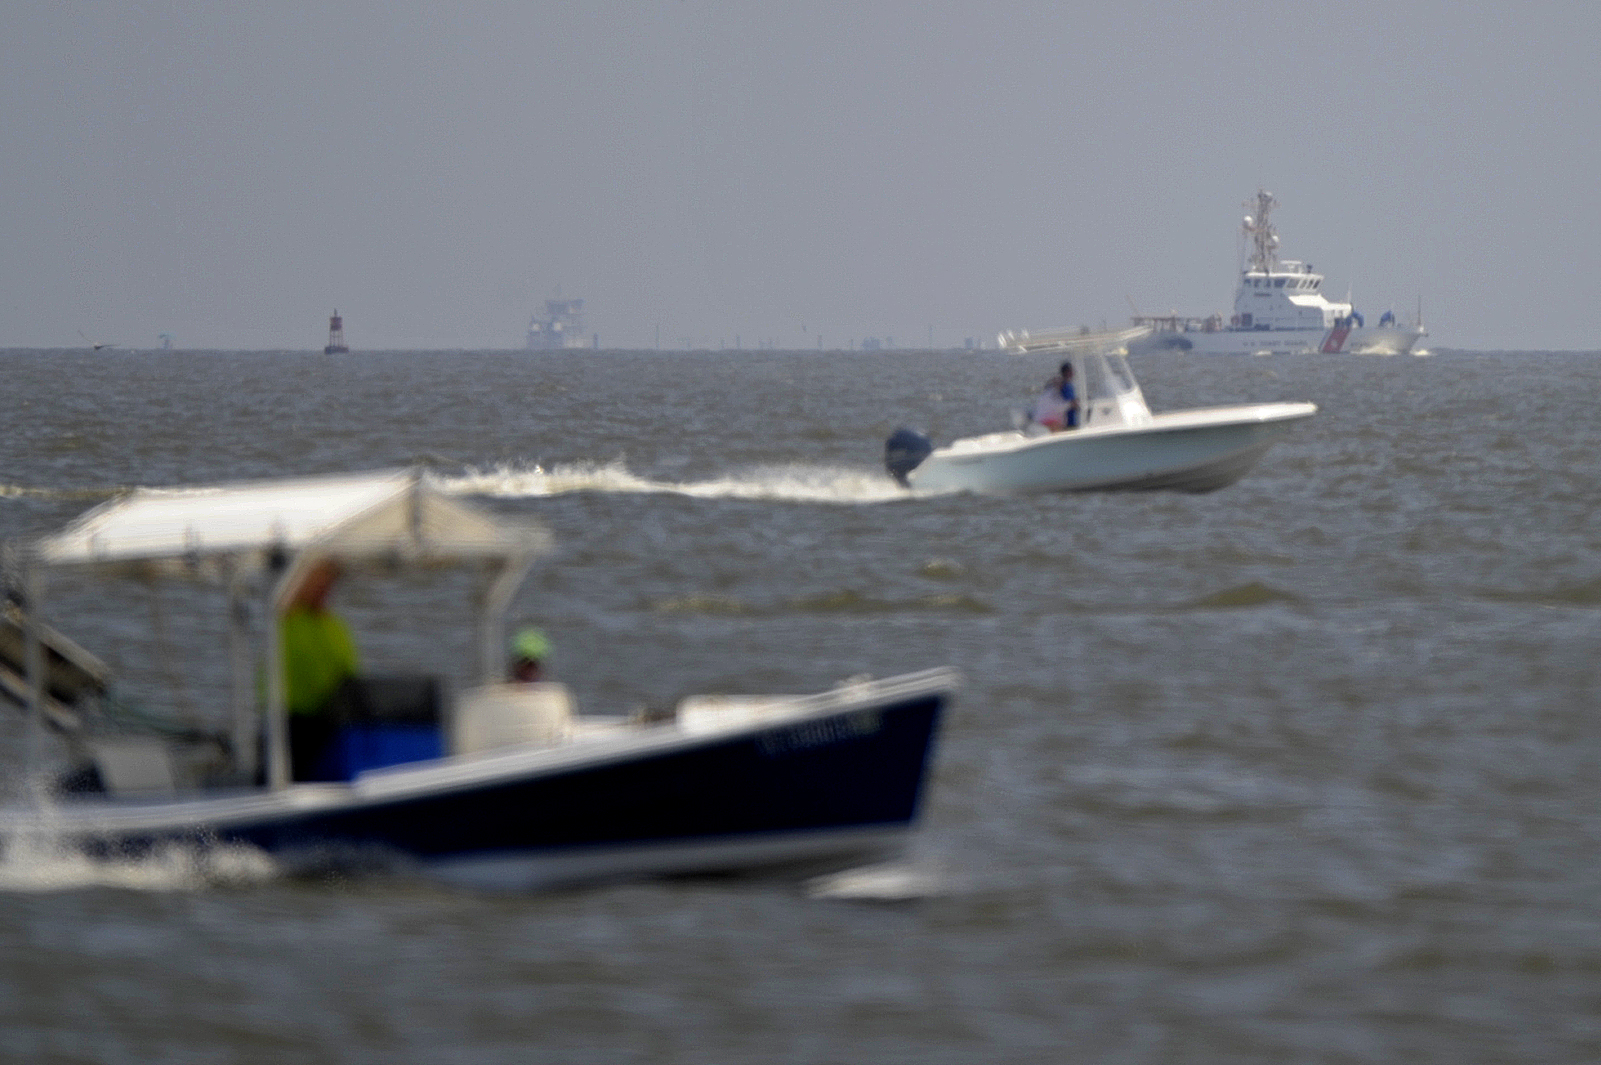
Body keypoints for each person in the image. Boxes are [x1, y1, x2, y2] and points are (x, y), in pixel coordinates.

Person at [278, 558, 359, 779]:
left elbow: (351, 678)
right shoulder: (286, 623)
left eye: (328, 582)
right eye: (316, 580)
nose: (322, 587)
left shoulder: (335, 628)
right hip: (291, 724)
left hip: (331, 724)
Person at [1031, 361, 1080, 432]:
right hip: (1067, 421)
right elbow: (1071, 403)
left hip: (1064, 419)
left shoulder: (1060, 384)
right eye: (1071, 370)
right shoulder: (1066, 386)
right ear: (1067, 372)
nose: (1074, 372)